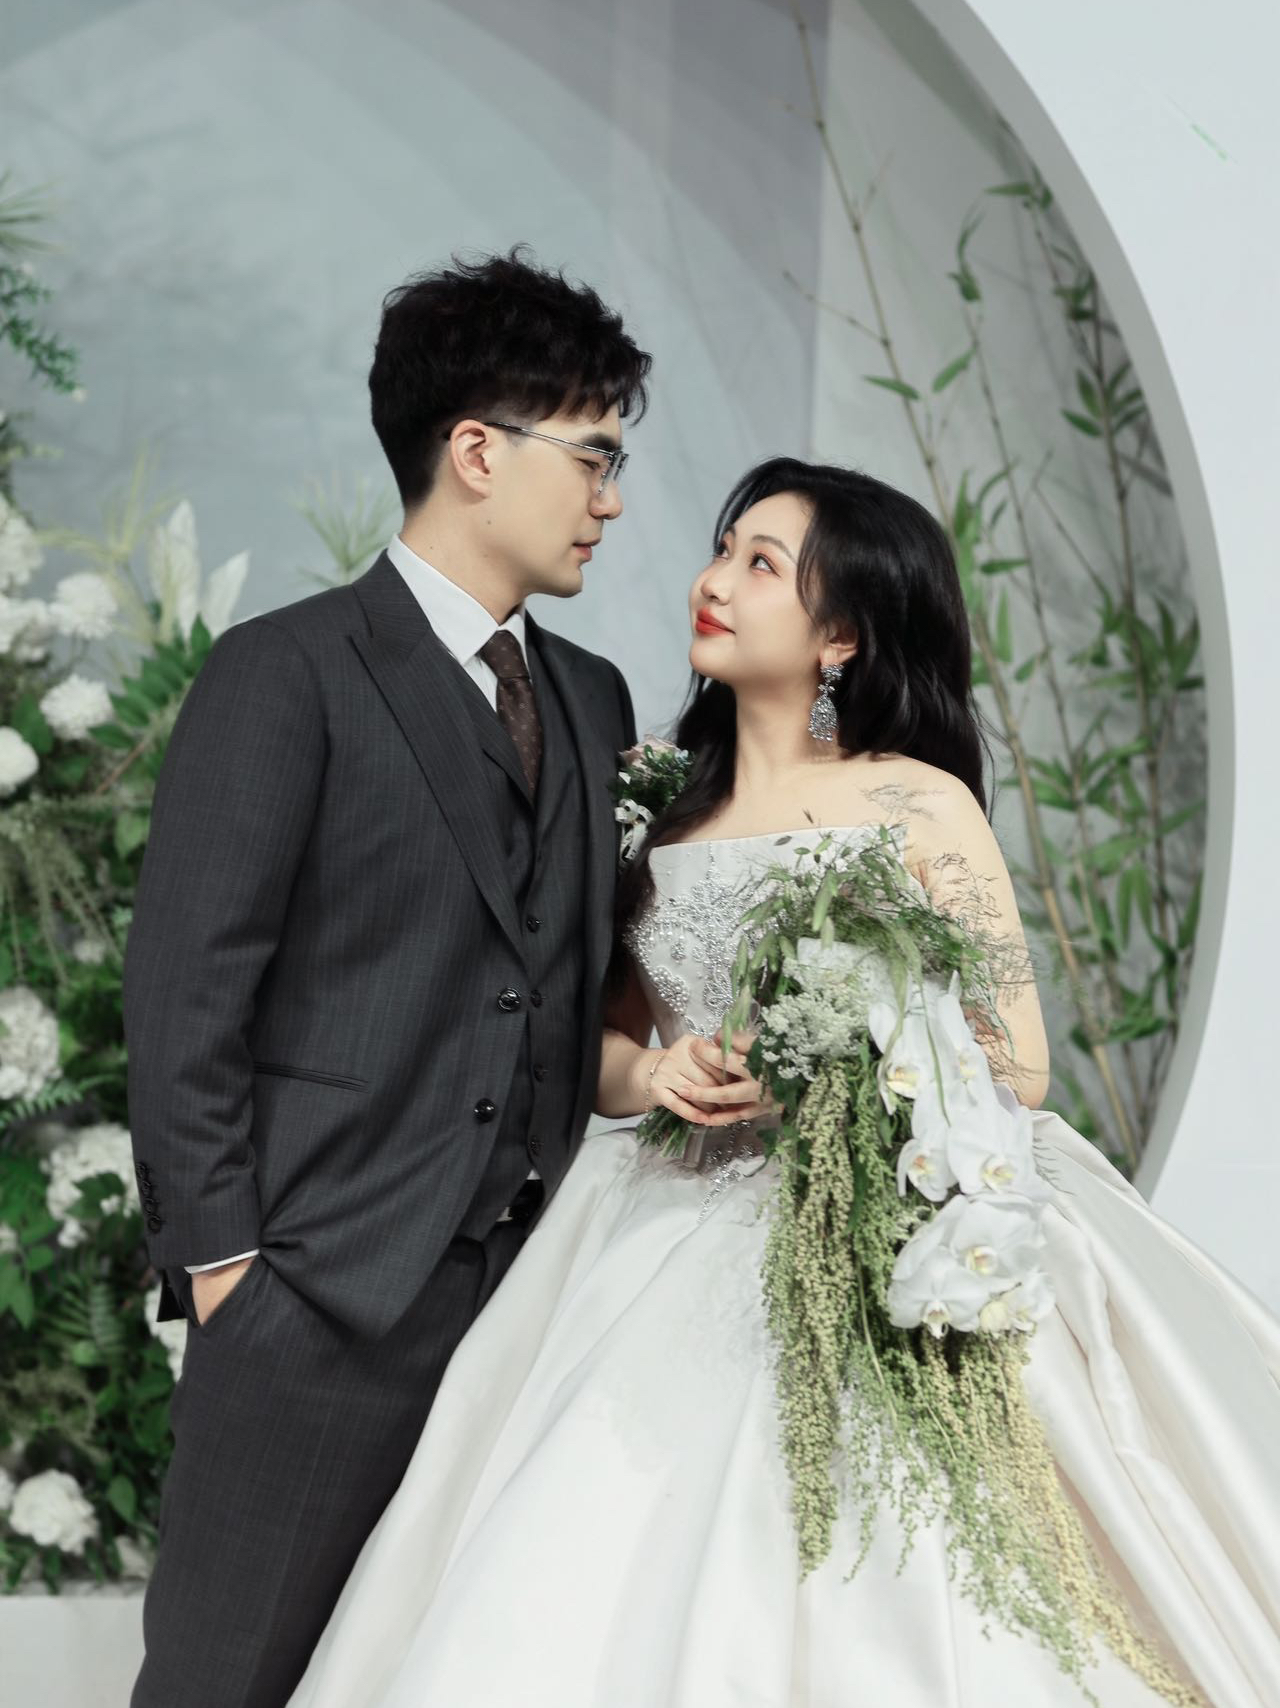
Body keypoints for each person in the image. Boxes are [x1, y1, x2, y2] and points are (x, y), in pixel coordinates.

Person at [288, 458, 1280, 1708]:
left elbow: (1014, 1059)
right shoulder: (650, 805)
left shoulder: (912, 799)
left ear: (839, 636)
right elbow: (597, 1051)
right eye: (723, 550)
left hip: (892, 1207)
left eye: (761, 564)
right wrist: (660, 1067)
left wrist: (828, 1066)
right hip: (664, 1225)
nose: (714, 581)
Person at [122, 247, 651, 1708]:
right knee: (225, 1686)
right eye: (593, 455)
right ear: (477, 451)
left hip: (528, 1315)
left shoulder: (594, 698)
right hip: (314, 1304)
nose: (611, 498)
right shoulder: (285, 673)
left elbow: (578, 975)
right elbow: (184, 996)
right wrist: (228, 1273)